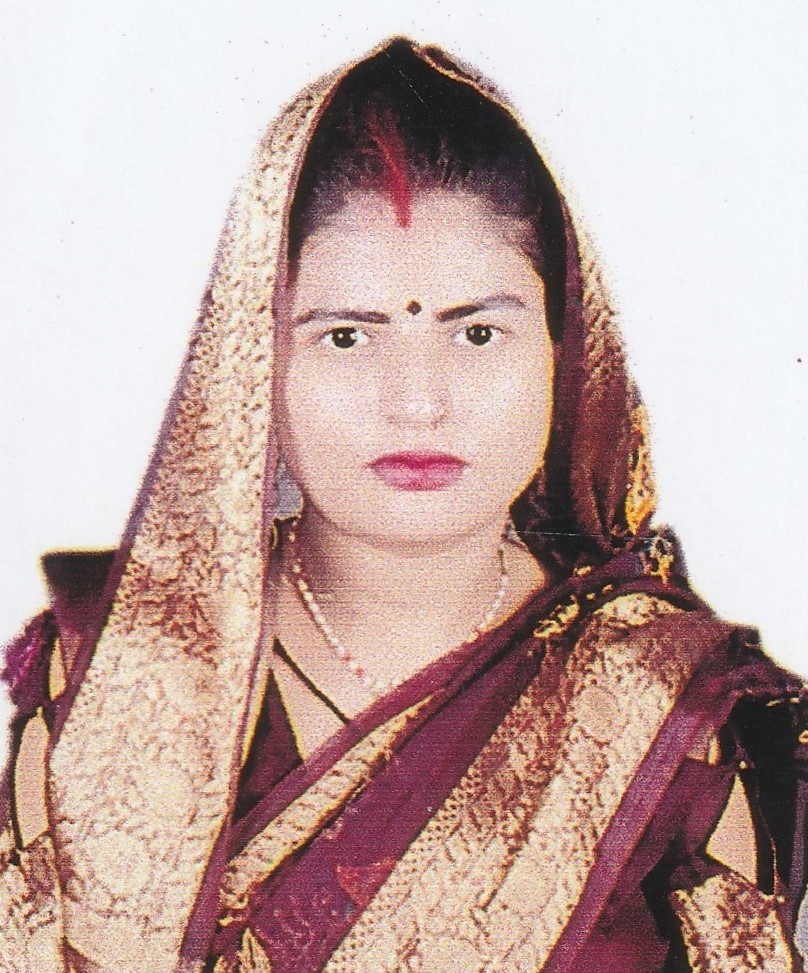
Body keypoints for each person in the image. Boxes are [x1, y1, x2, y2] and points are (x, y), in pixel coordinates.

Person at [1, 36, 806, 973]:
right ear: (255, 364)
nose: (418, 402)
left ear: (563, 351)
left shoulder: (662, 712)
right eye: (347, 336)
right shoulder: (117, 669)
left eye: (478, 333)